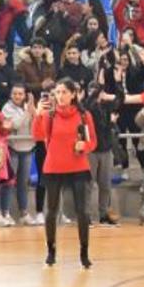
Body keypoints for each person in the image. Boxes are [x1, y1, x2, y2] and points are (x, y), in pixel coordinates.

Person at [33, 79, 95, 268]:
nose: (60, 96)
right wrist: (37, 115)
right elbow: (37, 135)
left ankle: (84, 253)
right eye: (57, 93)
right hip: (53, 167)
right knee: (51, 212)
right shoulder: (49, 115)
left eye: (64, 92)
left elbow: (93, 142)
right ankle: (51, 251)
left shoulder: (84, 115)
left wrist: (84, 145)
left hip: (78, 167)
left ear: (73, 94)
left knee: (82, 212)